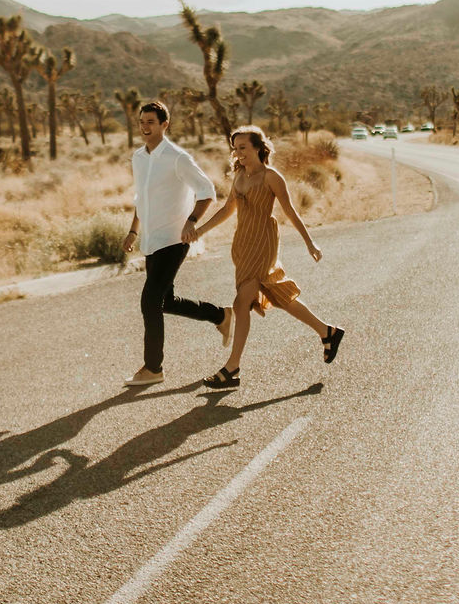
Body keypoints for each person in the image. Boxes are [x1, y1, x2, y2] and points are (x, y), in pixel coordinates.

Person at [183, 125, 344, 388]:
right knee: (278, 296)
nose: (238, 153)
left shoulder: (271, 177)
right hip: (244, 244)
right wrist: (199, 231)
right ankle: (327, 332)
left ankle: (232, 368)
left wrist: (309, 242)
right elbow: (227, 210)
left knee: (241, 301)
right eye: (235, 149)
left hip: (264, 242)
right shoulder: (239, 177)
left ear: (258, 148)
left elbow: (290, 212)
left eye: (243, 148)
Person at [122, 99, 232, 388]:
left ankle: (153, 368)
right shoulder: (139, 158)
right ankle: (220, 315)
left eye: (151, 122)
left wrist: (192, 221)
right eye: (142, 122)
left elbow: (207, 191)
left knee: (149, 302)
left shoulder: (177, 157)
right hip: (151, 240)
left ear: (164, 125)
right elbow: (140, 199)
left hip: (174, 239)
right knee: (165, 301)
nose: (145, 127)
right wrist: (133, 232)